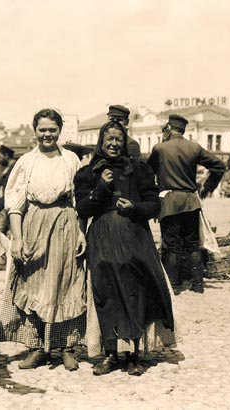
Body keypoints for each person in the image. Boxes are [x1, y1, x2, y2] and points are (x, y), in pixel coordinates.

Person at [74, 120, 176, 376]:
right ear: (100, 141)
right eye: (109, 139)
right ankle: (110, 354)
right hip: (102, 241)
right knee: (106, 295)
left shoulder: (139, 170)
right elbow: (83, 209)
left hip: (134, 239)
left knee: (136, 292)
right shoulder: (88, 173)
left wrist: (135, 208)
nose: (114, 143)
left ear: (125, 142)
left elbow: (154, 204)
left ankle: (133, 355)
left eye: (118, 139)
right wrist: (101, 188)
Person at [0, 108, 87, 371]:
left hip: (65, 224)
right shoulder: (25, 162)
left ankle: (66, 347)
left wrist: (80, 232)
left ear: (60, 131)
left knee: (66, 283)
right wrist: (17, 238)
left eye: (52, 130)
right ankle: (36, 348)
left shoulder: (71, 160)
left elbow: (78, 200)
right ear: (35, 130)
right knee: (33, 284)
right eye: (42, 130)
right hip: (34, 223)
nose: (47, 135)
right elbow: (14, 203)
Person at [147, 114, 225, 294]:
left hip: (169, 203)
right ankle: (198, 284)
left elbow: (147, 172)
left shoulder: (160, 148)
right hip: (191, 202)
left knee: (172, 245)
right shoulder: (194, 147)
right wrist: (208, 188)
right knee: (192, 244)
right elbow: (219, 166)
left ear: (168, 128)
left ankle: (173, 286)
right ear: (183, 130)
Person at [0, 144, 16, 234]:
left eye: (0, 156)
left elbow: (9, 192)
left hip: (8, 206)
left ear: (6, 156)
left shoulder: (13, 170)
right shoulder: (9, 168)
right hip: (7, 205)